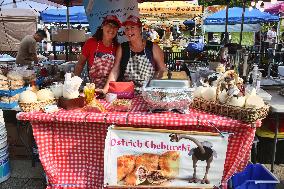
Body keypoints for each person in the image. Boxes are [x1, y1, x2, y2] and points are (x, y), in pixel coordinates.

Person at [100, 15, 167, 93]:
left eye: (132, 27)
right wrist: (106, 89)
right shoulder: (122, 47)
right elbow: (115, 70)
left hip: (148, 92)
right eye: (127, 29)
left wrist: (164, 91)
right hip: (126, 93)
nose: (129, 31)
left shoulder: (153, 47)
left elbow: (162, 70)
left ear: (140, 29)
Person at [74, 15, 121, 89]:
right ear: (102, 26)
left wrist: (106, 89)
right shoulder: (91, 42)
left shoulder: (118, 47)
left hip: (111, 88)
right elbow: (80, 64)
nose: (112, 29)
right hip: (93, 88)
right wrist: (74, 85)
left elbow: (116, 70)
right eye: (109, 25)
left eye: (115, 27)